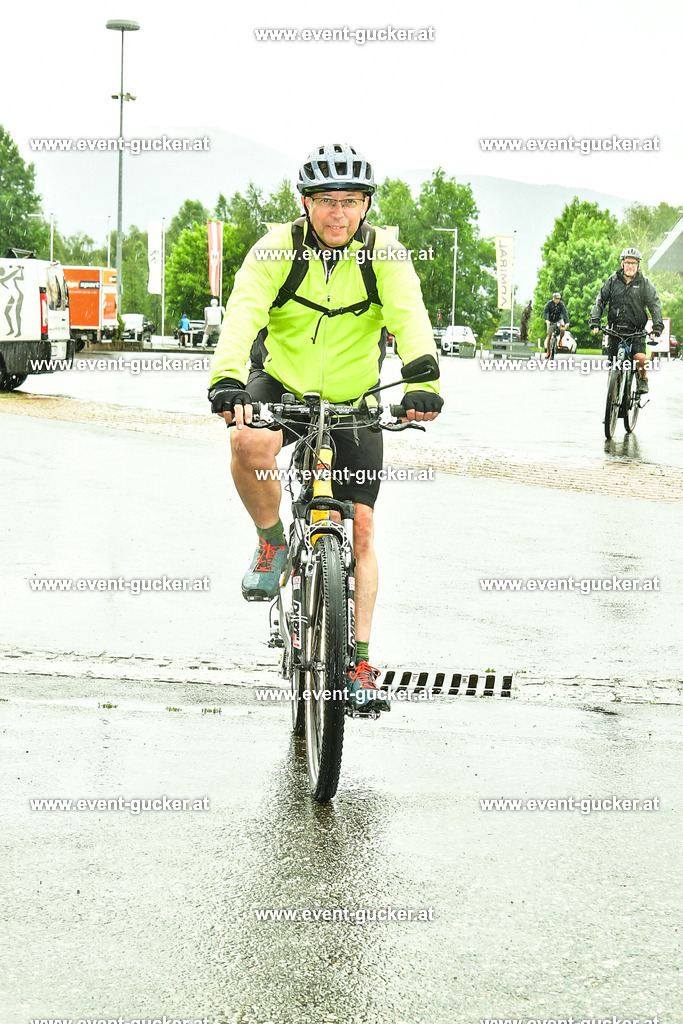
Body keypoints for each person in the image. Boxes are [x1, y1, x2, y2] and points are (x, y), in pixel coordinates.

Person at [208, 142, 442, 713]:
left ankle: (359, 661)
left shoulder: (384, 254)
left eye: (351, 201)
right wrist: (227, 379)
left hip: (353, 398)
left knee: (360, 528)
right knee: (248, 438)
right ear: (306, 203)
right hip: (282, 382)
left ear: (366, 206)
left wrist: (421, 379)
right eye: (326, 201)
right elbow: (243, 314)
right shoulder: (275, 250)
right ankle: (271, 543)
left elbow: (409, 314)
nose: (339, 213)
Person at [590, 247, 663, 394]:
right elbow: (600, 301)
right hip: (615, 330)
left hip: (635, 332)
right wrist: (595, 320)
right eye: (627, 262)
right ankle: (611, 406)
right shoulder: (612, 281)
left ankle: (643, 379)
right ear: (622, 263)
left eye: (633, 263)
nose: (630, 266)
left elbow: (655, 304)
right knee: (613, 368)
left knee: (640, 358)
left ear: (638, 265)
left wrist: (657, 327)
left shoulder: (644, 283)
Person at [543, 292, 569, 357]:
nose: (558, 300)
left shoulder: (561, 304)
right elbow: (545, 312)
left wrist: (567, 322)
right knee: (549, 337)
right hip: (551, 321)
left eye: (559, 299)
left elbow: (565, 313)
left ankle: (560, 340)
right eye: (556, 299)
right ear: (553, 298)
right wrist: (546, 320)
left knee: (562, 329)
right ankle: (548, 352)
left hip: (558, 320)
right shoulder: (549, 304)